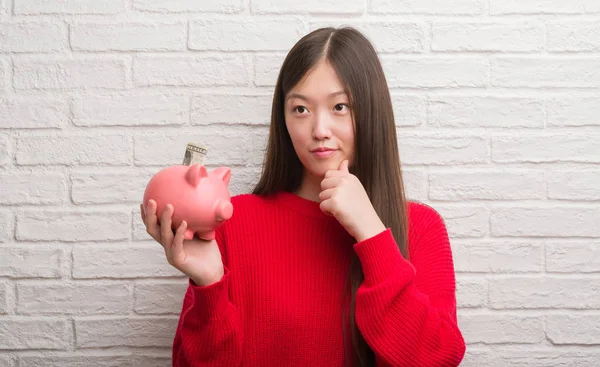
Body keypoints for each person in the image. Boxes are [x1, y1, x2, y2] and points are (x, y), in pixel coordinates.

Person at [140, 26, 466, 367]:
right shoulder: (232, 223)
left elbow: (435, 358)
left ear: (370, 113)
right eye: (300, 109)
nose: (319, 129)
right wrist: (208, 286)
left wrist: (371, 232)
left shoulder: (421, 227)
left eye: (340, 106)